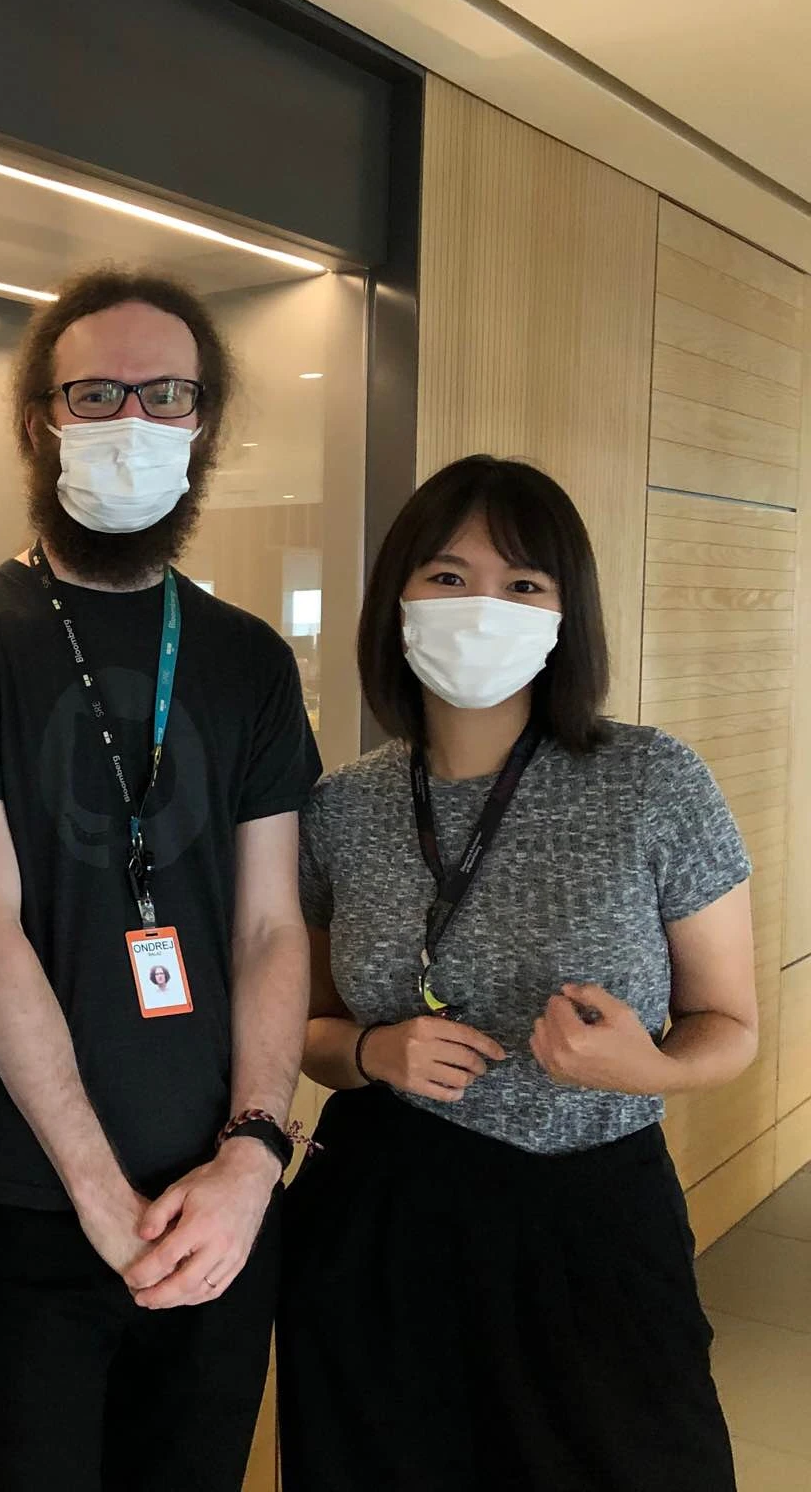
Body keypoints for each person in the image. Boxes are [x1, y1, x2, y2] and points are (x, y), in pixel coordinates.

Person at [0, 267, 321, 1490]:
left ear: (203, 428)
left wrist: (252, 1156)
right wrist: (98, 1191)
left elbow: (274, 924)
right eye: (96, 392)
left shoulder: (247, 662)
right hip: (26, 1204)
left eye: (165, 393)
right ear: (40, 421)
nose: (132, 420)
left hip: (221, 1203)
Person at [279, 455, 756, 1492]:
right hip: (381, 1216)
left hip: (590, 1213)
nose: (481, 606)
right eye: (447, 577)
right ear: (396, 596)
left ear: (562, 614)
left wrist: (650, 1068)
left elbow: (732, 1022)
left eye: (523, 584)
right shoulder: (340, 809)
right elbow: (301, 1026)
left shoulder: (651, 779)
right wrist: (370, 1050)